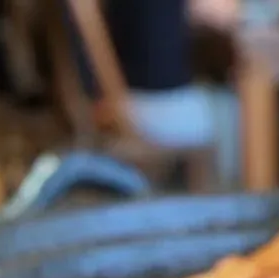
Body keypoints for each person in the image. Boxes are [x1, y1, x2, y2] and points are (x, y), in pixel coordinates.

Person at [67, 0, 242, 187]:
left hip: (118, 99)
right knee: (238, 107)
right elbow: (225, 12)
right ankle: (233, 191)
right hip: (154, 106)